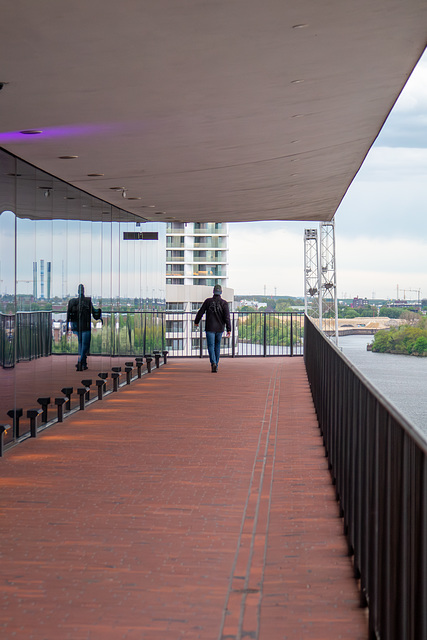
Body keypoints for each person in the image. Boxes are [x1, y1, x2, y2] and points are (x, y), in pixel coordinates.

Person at [194, 284, 231, 373]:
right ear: (221, 292)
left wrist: (196, 322)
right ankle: (216, 364)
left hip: (210, 327)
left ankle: (213, 363)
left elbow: (200, 312)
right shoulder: (224, 303)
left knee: (210, 346)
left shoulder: (208, 301)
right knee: (217, 346)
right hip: (220, 328)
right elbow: (227, 317)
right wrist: (229, 329)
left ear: (213, 292)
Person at [67, 284, 102, 371]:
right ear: (83, 291)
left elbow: (69, 315)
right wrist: (99, 313)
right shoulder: (87, 301)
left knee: (81, 344)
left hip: (77, 327)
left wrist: (69, 326)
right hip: (85, 326)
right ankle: (80, 361)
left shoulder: (73, 302)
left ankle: (83, 363)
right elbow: (94, 313)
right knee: (85, 345)